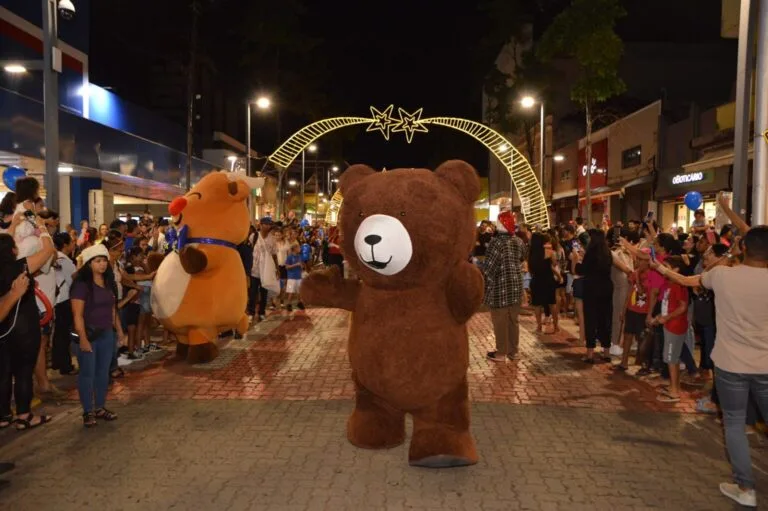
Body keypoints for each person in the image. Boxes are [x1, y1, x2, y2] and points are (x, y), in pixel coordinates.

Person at [0, 226, 56, 430]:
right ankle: (24, 415)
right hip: (24, 326)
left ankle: (4, 415)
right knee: (23, 371)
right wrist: (42, 230)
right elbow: (48, 250)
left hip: (2, 328)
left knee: (3, 372)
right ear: (13, 250)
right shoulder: (20, 266)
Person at [71, 244, 127, 427]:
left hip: (106, 335)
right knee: (87, 374)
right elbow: (77, 315)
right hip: (89, 335)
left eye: (104, 260)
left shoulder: (108, 283)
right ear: (89, 263)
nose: (102, 264)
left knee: (103, 373)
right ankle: (87, 411)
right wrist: (83, 339)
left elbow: (113, 310)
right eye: (97, 261)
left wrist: (119, 332)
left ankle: (100, 407)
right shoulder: (81, 285)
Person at [482, 211, 526, 362]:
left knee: (500, 321)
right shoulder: (518, 241)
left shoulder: (496, 242)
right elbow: (521, 259)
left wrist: (486, 283)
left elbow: (489, 268)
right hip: (516, 285)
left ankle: (501, 352)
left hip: (500, 287)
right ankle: (513, 351)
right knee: (513, 320)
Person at [575, 229, 613, 363]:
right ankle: (606, 352)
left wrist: (577, 261)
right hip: (606, 289)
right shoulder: (607, 253)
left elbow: (581, 270)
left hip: (592, 289)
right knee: (605, 320)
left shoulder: (590, 253)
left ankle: (590, 353)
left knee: (591, 320)